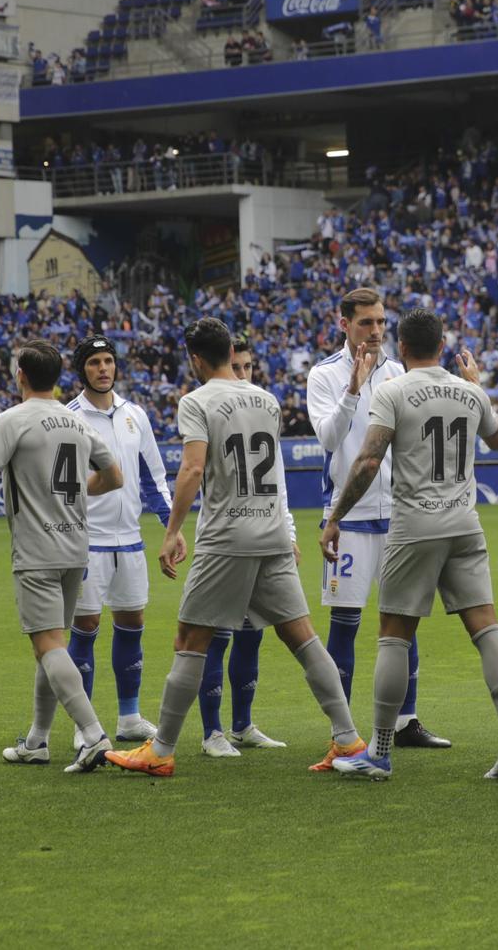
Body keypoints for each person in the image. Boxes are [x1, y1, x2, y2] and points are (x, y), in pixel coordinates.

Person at [106, 318, 364, 776]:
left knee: (191, 639)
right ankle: (348, 739)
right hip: (271, 533)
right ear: (230, 351)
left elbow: (191, 469)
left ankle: (160, 751)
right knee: (302, 635)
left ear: (195, 359)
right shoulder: (265, 398)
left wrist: (172, 531)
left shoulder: (196, 400)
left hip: (227, 536)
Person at [324, 309, 498, 781]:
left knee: (394, 634)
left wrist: (335, 518)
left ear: (403, 346)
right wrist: (478, 385)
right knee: (487, 629)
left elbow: (369, 460)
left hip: (415, 526)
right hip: (464, 525)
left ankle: (380, 750)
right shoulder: (468, 391)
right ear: (442, 344)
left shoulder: (392, 390)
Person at [0, 340, 118, 773]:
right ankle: (37, 741)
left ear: (20, 375)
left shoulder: (11, 420)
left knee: (47, 644)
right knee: (52, 644)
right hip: (75, 546)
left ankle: (93, 734)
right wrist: (81, 490)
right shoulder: (76, 421)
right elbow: (113, 475)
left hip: (37, 549)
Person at [306, 286, 448, 751]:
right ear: (343, 323)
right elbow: (329, 439)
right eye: (366, 322)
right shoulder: (323, 375)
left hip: (402, 513)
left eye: (382, 322)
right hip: (349, 517)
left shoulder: (399, 371)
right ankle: (342, 731)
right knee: (345, 623)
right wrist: (352, 388)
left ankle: (405, 721)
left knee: (404, 620)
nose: (376, 331)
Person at [62, 335, 171, 746]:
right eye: (94, 363)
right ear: (82, 370)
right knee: (85, 627)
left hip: (130, 540)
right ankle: (83, 725)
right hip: (87, 540)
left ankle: (128, 717)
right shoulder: (68, 416)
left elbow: (153, 476)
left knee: (132, 623)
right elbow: (64, 484)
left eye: (108, 361)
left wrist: (170, 527)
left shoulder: (135, 415)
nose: (103, 368)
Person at [194, 333, 290, 757]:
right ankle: (212, 732)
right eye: (237, 367)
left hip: (264, 534)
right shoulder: (206, 407)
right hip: (224, 537)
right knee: (216, 636)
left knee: (253, 635)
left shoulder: (264, 407)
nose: (243, 375)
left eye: (249, 367)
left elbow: (277, 483)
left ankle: (243, 724)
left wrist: (286, 531)